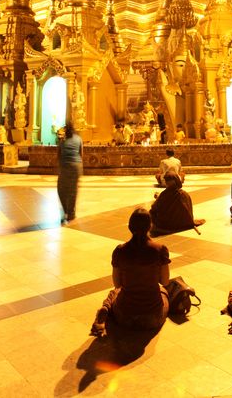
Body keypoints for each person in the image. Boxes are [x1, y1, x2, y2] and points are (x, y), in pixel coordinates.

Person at [90, 208, 170, 338]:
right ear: (150, 226)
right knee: (164, 291)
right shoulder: (160, 249)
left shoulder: (120, 251)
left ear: (129, 227)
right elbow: (165, 281)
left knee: (113, 293)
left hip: (124, 316)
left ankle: (105, 309)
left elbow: (117, 284)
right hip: (153, 317)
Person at [57, 122, 82, 223]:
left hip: (65, 167)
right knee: (73, 190)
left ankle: (66, 210)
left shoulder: (63, 141)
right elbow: (81, 154)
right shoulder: (79, 139)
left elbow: (58, 155)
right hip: (76, 166)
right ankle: (71, 213)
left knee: (61, 190)